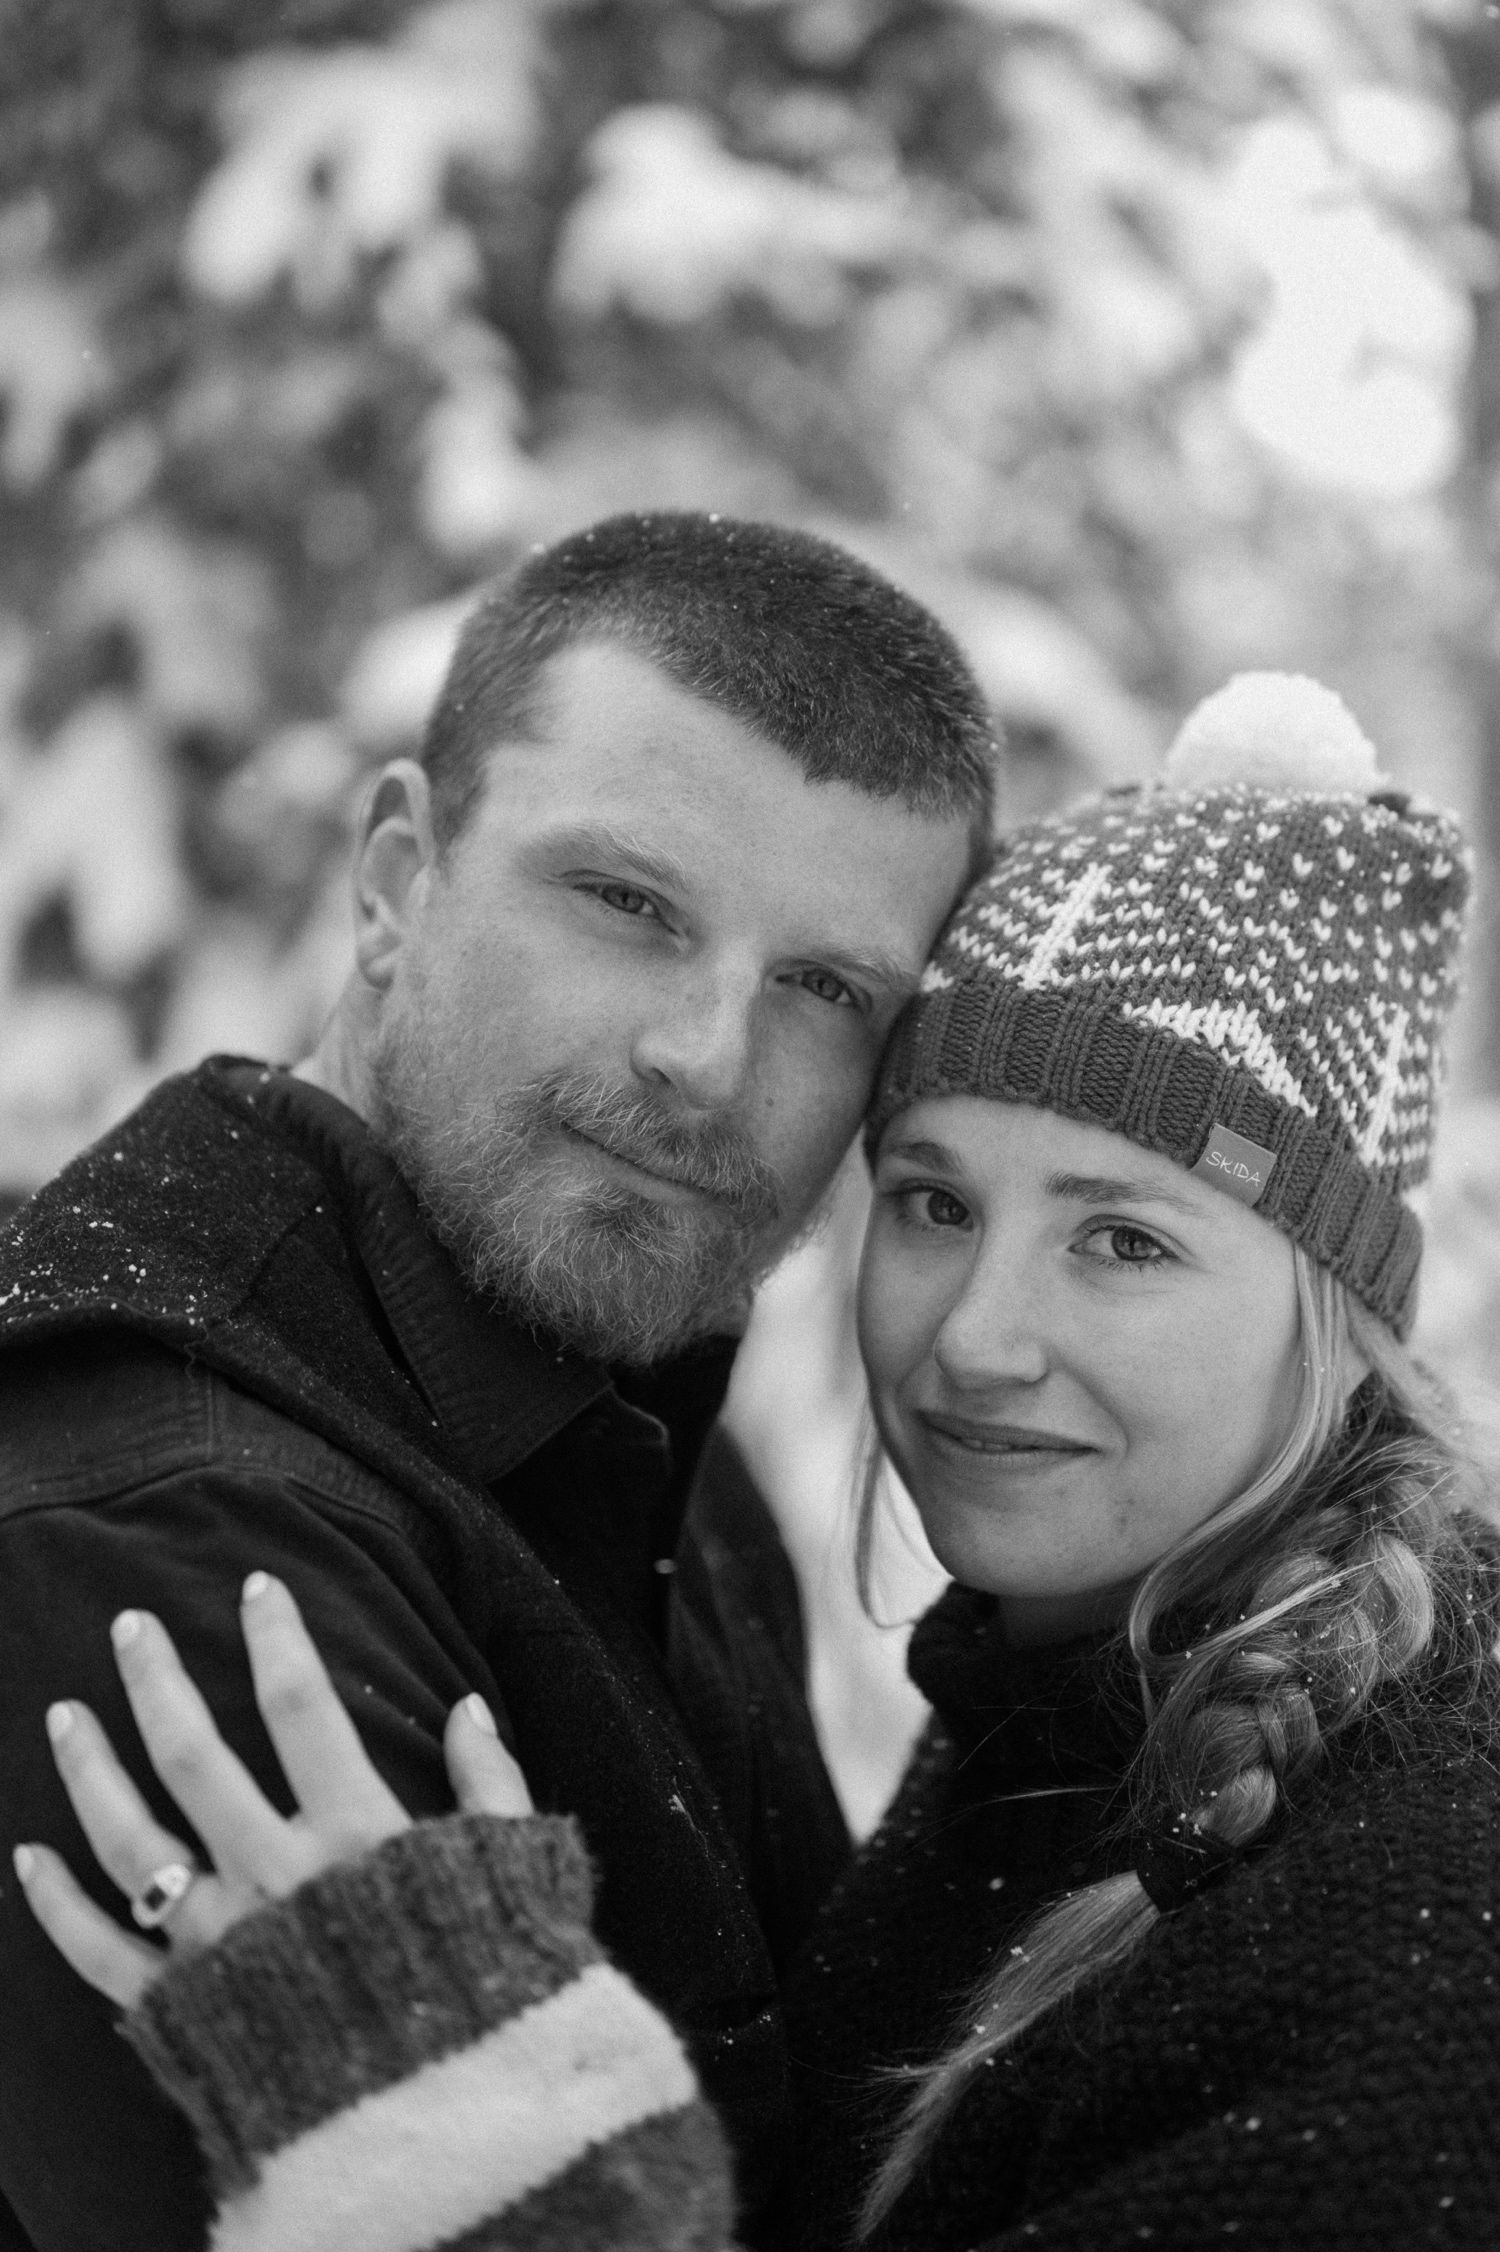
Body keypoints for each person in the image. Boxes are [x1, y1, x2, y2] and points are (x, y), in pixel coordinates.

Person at [19, 671, 1500, 2251]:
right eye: (933, 1202)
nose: (978, 1338)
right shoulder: (1065, 1711)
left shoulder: (1407, 1918)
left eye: (1123, 1239)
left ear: (1336, 1318)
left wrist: (485, 2176)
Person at [0, 510, 992, 2252]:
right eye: (627, 903)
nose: (707, 1058)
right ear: (395, 878)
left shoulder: (634, 1408)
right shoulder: (189, 1547)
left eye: (825, 986)